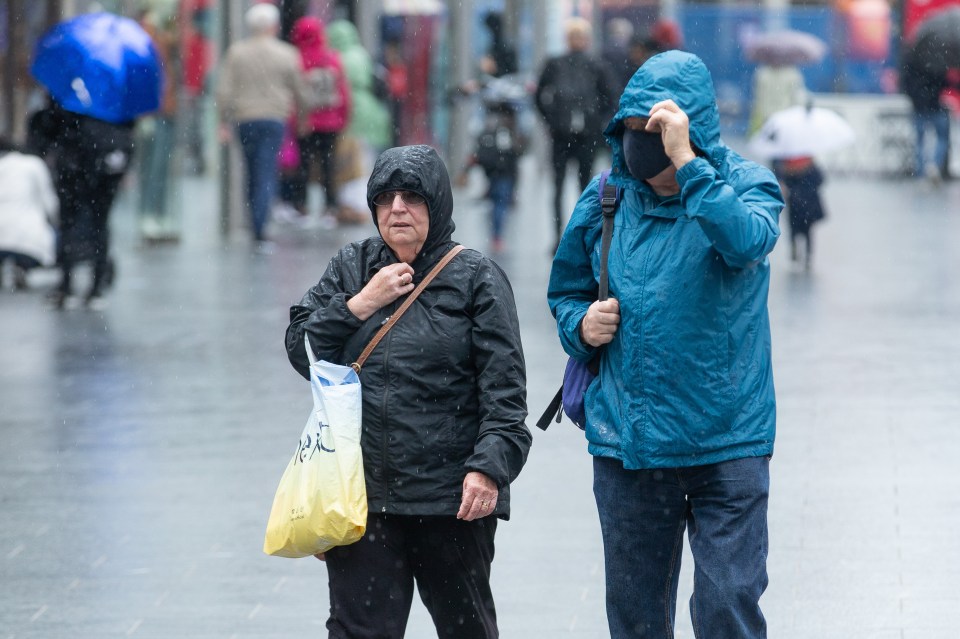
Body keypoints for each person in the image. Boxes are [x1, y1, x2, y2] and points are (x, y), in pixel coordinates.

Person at [547, 51, 783, 638]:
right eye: (629, 130)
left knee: (728, 604)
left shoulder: (745, 184)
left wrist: (690, 165)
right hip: (632, 444)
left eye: (652, 130)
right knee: (636, 620)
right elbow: (566, 288)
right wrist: (580, 324)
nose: (639, 143)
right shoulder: (606, 197)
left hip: (727, 441)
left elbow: (746, 241)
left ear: (690, 129)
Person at [285, 145, 531, 638]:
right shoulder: (351, 266)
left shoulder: (476, 277)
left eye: (412, 196)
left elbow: (505, 395)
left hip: (451, 502)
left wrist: (488, 469)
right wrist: (358, 305)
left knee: (467, 629)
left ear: (436, 204)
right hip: (364, 500)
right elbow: (300, 348)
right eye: (386, 197)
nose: (397, 208)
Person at [28, 98, 135, 309]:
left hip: (74, 163)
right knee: (99, 223)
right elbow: (126, 126)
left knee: (70, 221)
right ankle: (94, 286)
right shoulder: (112, 89)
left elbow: (50, 124)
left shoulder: (69, 86)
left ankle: (68, 284)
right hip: (101, 164)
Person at [215, 3, 306, 251]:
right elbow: (300, 90)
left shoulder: (237, 53)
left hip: (244, 119)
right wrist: (304, 118)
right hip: (274, 119)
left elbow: (224, 90)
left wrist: (223, 120)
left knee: (251, 170)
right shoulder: (286, 53)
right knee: (266, 171)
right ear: (274, 26)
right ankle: (259, 227)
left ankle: (254, 219)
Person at [535, 17, 617, 252]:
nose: (578, 41)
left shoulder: (596, 65)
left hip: (586, 137)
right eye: (574, 36)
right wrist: (551, 120)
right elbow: (540, 95)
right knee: (558, 186)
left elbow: (609, 98)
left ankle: (582, 235)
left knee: (585, 186)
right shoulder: (556, 63)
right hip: (561, 135)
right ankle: (558, 236)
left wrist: (596, 123)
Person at [288, 15, 351, 221]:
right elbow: (343, 92)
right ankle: (330, 207)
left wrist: (294, 121)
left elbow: (293, 95)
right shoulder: (332, 57)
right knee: (328, 164)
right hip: (330, 121)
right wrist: (344, 116)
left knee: (303, 165)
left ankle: (301, 205)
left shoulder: (296, 59)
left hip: (305, 121)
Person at [0, 136, 58, 290]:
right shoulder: (34, 164)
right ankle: (22, 267)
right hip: (28, 238)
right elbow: (49, 200)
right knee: (34, 250)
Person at [901, 53, 949, 182]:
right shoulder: (938, 60)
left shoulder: (912, 61)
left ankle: (921, 171)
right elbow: (943, 83)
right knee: (942, 137)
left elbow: (906, 83)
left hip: (919, 106)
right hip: (935, 105)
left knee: (919, 140)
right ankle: (934, 165)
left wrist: (915, 98)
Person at [775, 155, 825, 270]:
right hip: (807, 204)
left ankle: (798, 252)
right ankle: (807, 256)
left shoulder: (786, 166)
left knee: (795, 230)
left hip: (796, 204)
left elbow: (783, 182)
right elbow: (820, 180)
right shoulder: (809, 163)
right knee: (807, 232)